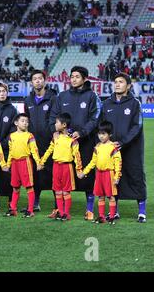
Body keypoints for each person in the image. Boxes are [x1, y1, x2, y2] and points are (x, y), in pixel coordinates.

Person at [50, 66, 101, 221]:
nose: (73, 79)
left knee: (86, 176)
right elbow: (53, 116)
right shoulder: (62, 96)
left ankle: (90, 209)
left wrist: (82, 132)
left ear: (85, 79)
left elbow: (95, 118)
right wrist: (55, 131)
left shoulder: (92, 96)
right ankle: (60, 209)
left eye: (77, 76)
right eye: (72, 76)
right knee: (60, 179)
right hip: (63, 145)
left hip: (84, 143)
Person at [100, 73, 147, 223]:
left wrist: (123, 142)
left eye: (121, 82)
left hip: (132, 148)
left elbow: (137, 125)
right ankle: (115, 210)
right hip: (111, 149)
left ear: (128, 85)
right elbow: (101, 126)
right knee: (114, 178)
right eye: (115, 82)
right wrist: (106, 143)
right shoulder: (106, 104)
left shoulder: (135, 103)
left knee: (136, 176)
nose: (117, 84)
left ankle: (142, 211)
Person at [24, 70, 57, 215]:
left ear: (45, 81)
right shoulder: (28, 100)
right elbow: (26, 120)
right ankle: (35, 203)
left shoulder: (53, 98)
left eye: (40, 78)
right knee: (35, 174)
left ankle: (58, 204)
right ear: (31, 82)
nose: (37, 81)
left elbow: (56, 119)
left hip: (50, 143)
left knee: (54, 174)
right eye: (34, 79)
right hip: (33, 144)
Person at [40, 113, 83, 221]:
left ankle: (66, 214)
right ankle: (61, 212)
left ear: (64, 125)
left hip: (66, 167)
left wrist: (79, 170)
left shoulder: (72, 140)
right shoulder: (56, 137)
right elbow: (49, 150)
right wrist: (42, 161)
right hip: (56, 167)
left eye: (56, 122)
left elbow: (77, 155)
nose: (55, 124)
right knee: (58, 191)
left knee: (66, 192)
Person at [78, 121, 122, 225]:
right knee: (100, 196)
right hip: (99, 175)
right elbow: (93, 162)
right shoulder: (97, 147)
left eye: (104, 134)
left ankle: (111, 217)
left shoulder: (113, 147)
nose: (101, 136)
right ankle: (101, 217)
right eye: (99, 134)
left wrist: (117, 177)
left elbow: (118, 163)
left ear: (110, 134)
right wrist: (84, 172)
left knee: (111, 196)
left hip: (109, 175)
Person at [4, 113, 42, 218]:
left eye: (27, 122)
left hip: (25, 163)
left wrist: (38, 162)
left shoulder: (30, 136)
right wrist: (8, 164)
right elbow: (11, 152)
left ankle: (30, 210)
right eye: (23, 121)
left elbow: (34, 150)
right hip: (15, 164)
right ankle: (13, 209)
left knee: (29, 187)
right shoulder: (12, 136)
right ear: (16, 123)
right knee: (15, 187)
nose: (25, 123)